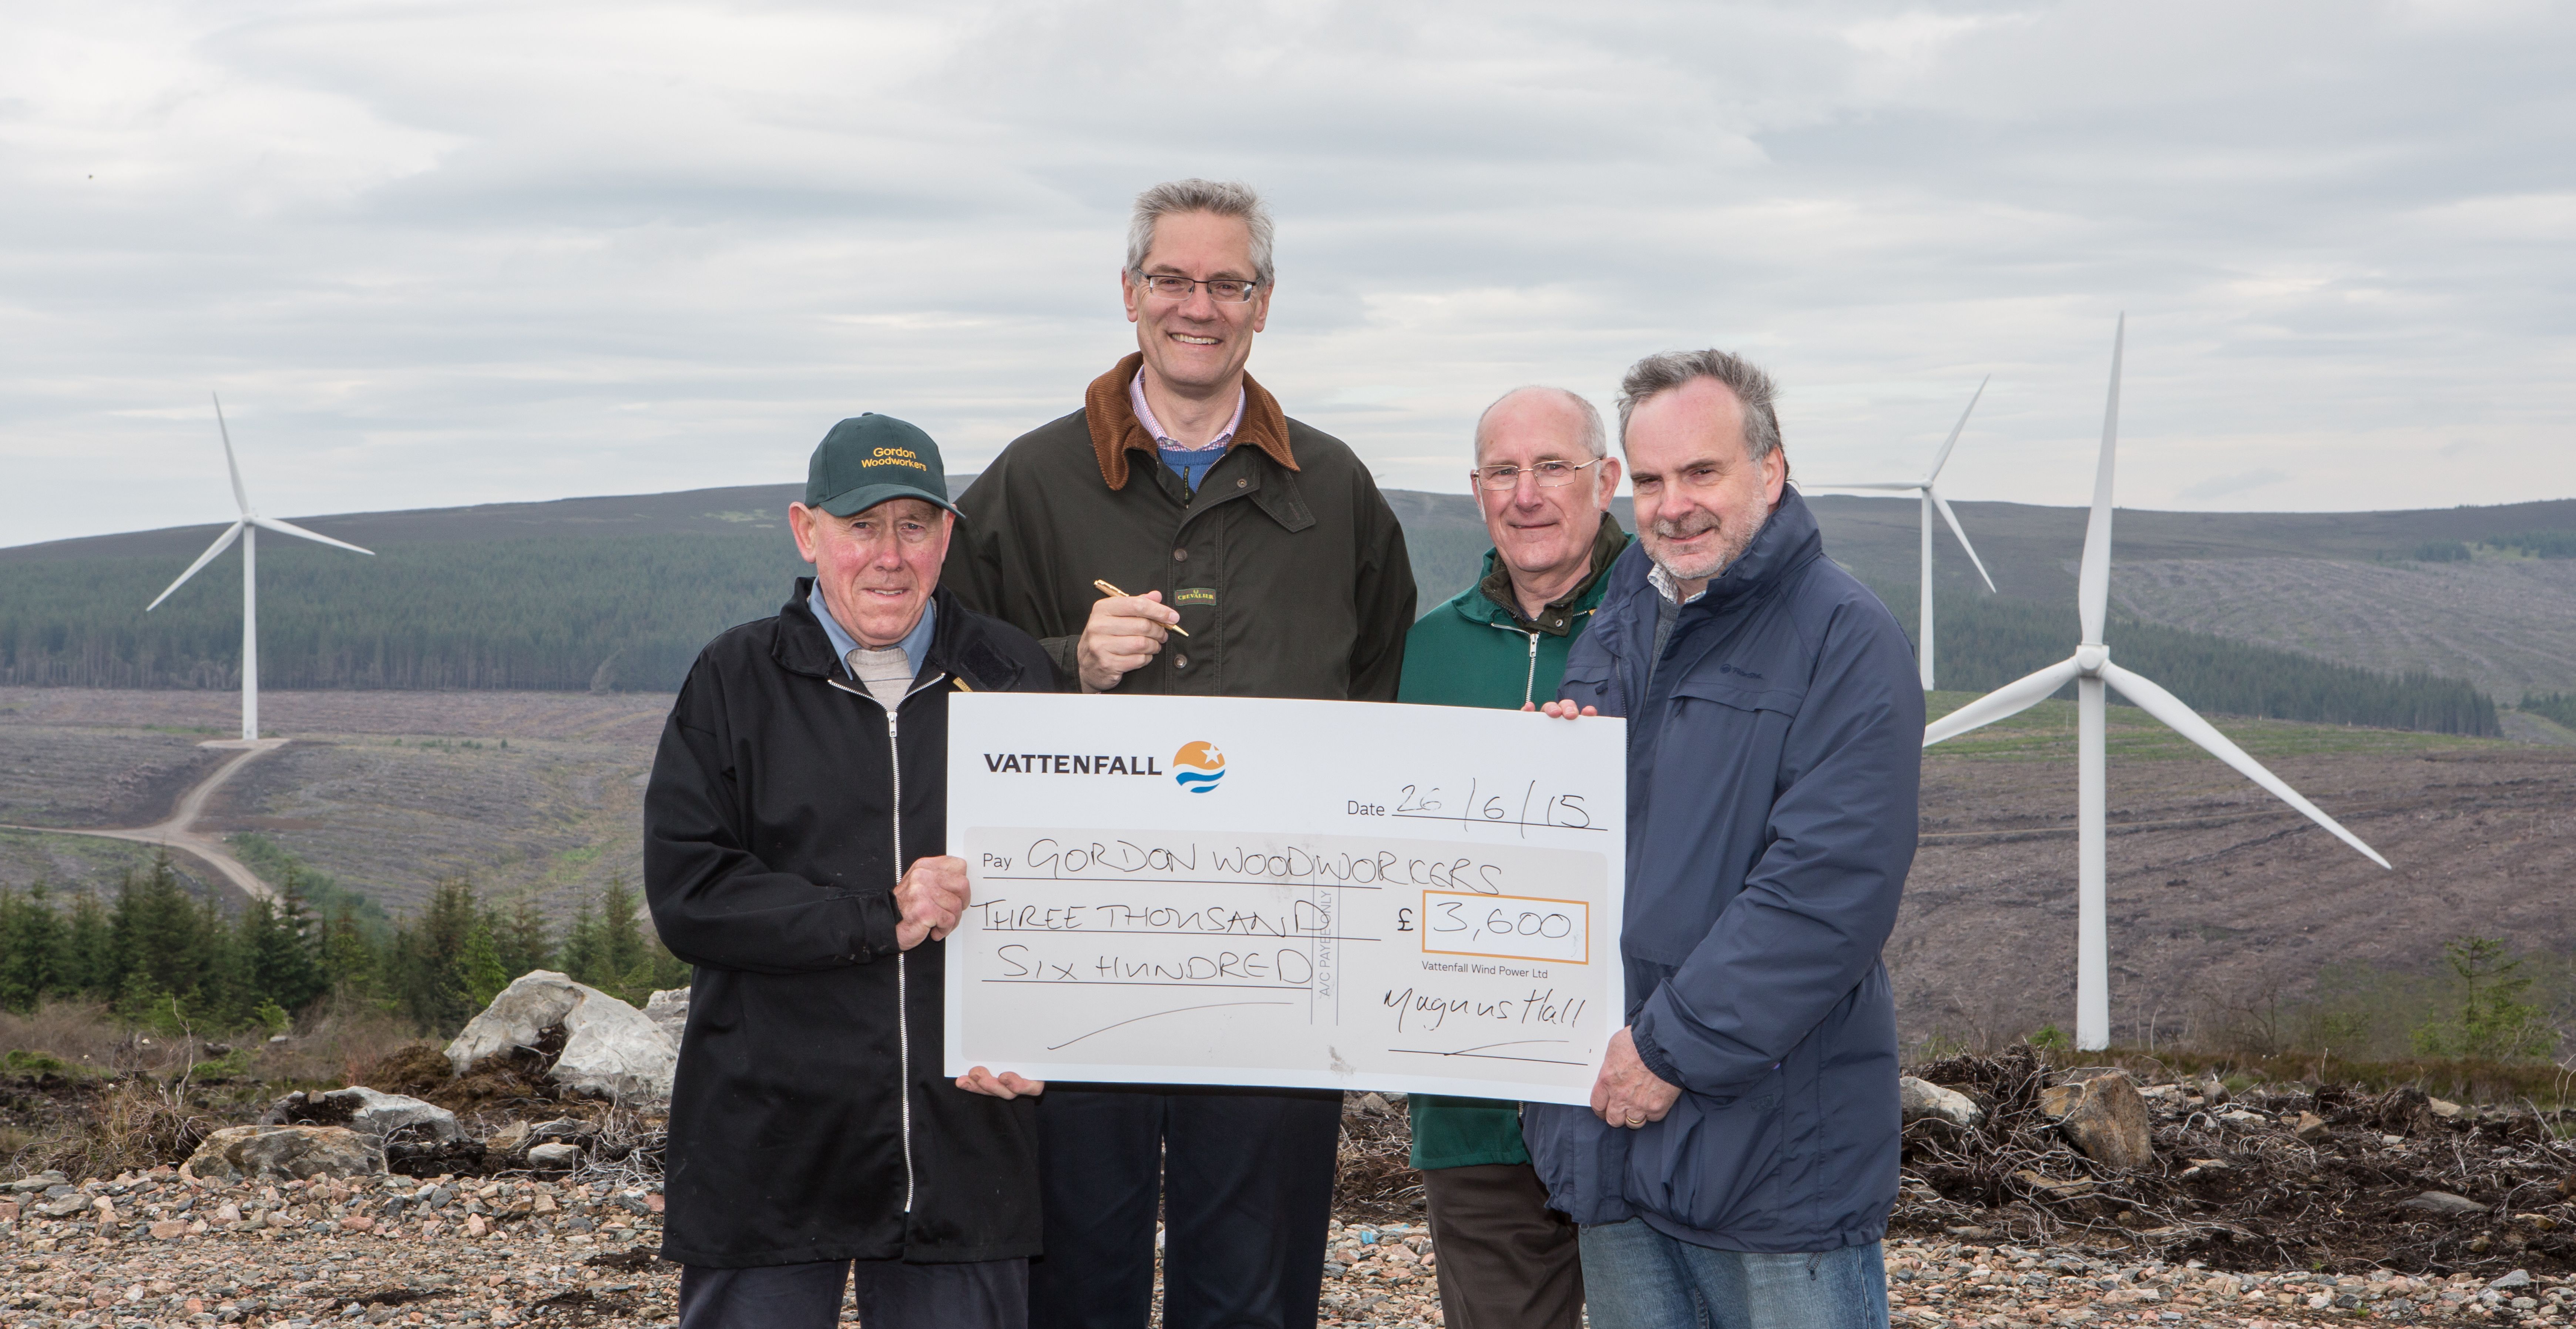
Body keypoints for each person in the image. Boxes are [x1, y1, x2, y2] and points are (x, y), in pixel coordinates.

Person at [942, 178, 1417, 1329]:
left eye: (1225, 283)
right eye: (1171, 280)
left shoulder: (1338, 490)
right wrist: (1068, 662)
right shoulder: (1029, 482)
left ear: (1262, 305)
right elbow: (942, 689)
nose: (1195, 306)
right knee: (1073, 1284)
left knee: (1254, 1294)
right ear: (1128, 294)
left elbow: (1381, 703)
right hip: (1075, 973)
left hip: (1273, 980)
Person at [1523, 351, 1922, 1328]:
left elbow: (1824, 894)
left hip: (1774, 1156)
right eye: (1650, 481)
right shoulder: (1623, 618)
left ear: (1770, 473)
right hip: (1614, 1127)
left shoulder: (1843, 636)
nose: (1672, 506)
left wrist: (1666, 1053)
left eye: (1701, 473)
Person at [644, 414, 1062, 1329]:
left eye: (914, 526)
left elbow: (1075, 891)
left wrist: (1047, 1041)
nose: (888, 555)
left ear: (947, 537)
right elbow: (691, 894)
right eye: (860, 526)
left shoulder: (1011, 674)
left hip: (966, 1151)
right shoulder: (735, 677)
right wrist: (879, 915)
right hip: (770, 1147)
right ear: (807, 530)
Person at [1394, 385, 1629, 1328]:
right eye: (1503, 471)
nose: (1526, 494)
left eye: (1553, 468)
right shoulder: (1425, 652)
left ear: (1606, 481)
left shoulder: (1675, 629)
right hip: (1473, 1106)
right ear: (1477, 490)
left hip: (1636, 1095)